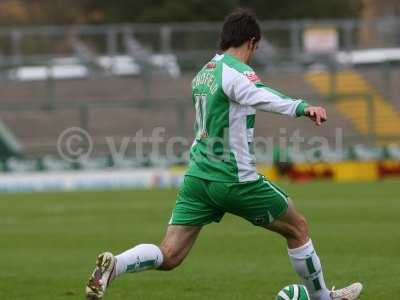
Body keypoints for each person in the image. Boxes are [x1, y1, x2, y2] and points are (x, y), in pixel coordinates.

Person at [85, 9, 362, 300]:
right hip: (233, 178)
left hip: (198, 177)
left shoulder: (203, 73)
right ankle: (322, 298)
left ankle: (116, 265)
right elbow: (260, 94)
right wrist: (302, 107)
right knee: (298, 228)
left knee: (170, 255)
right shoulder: (237, 71)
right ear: (252, 42)